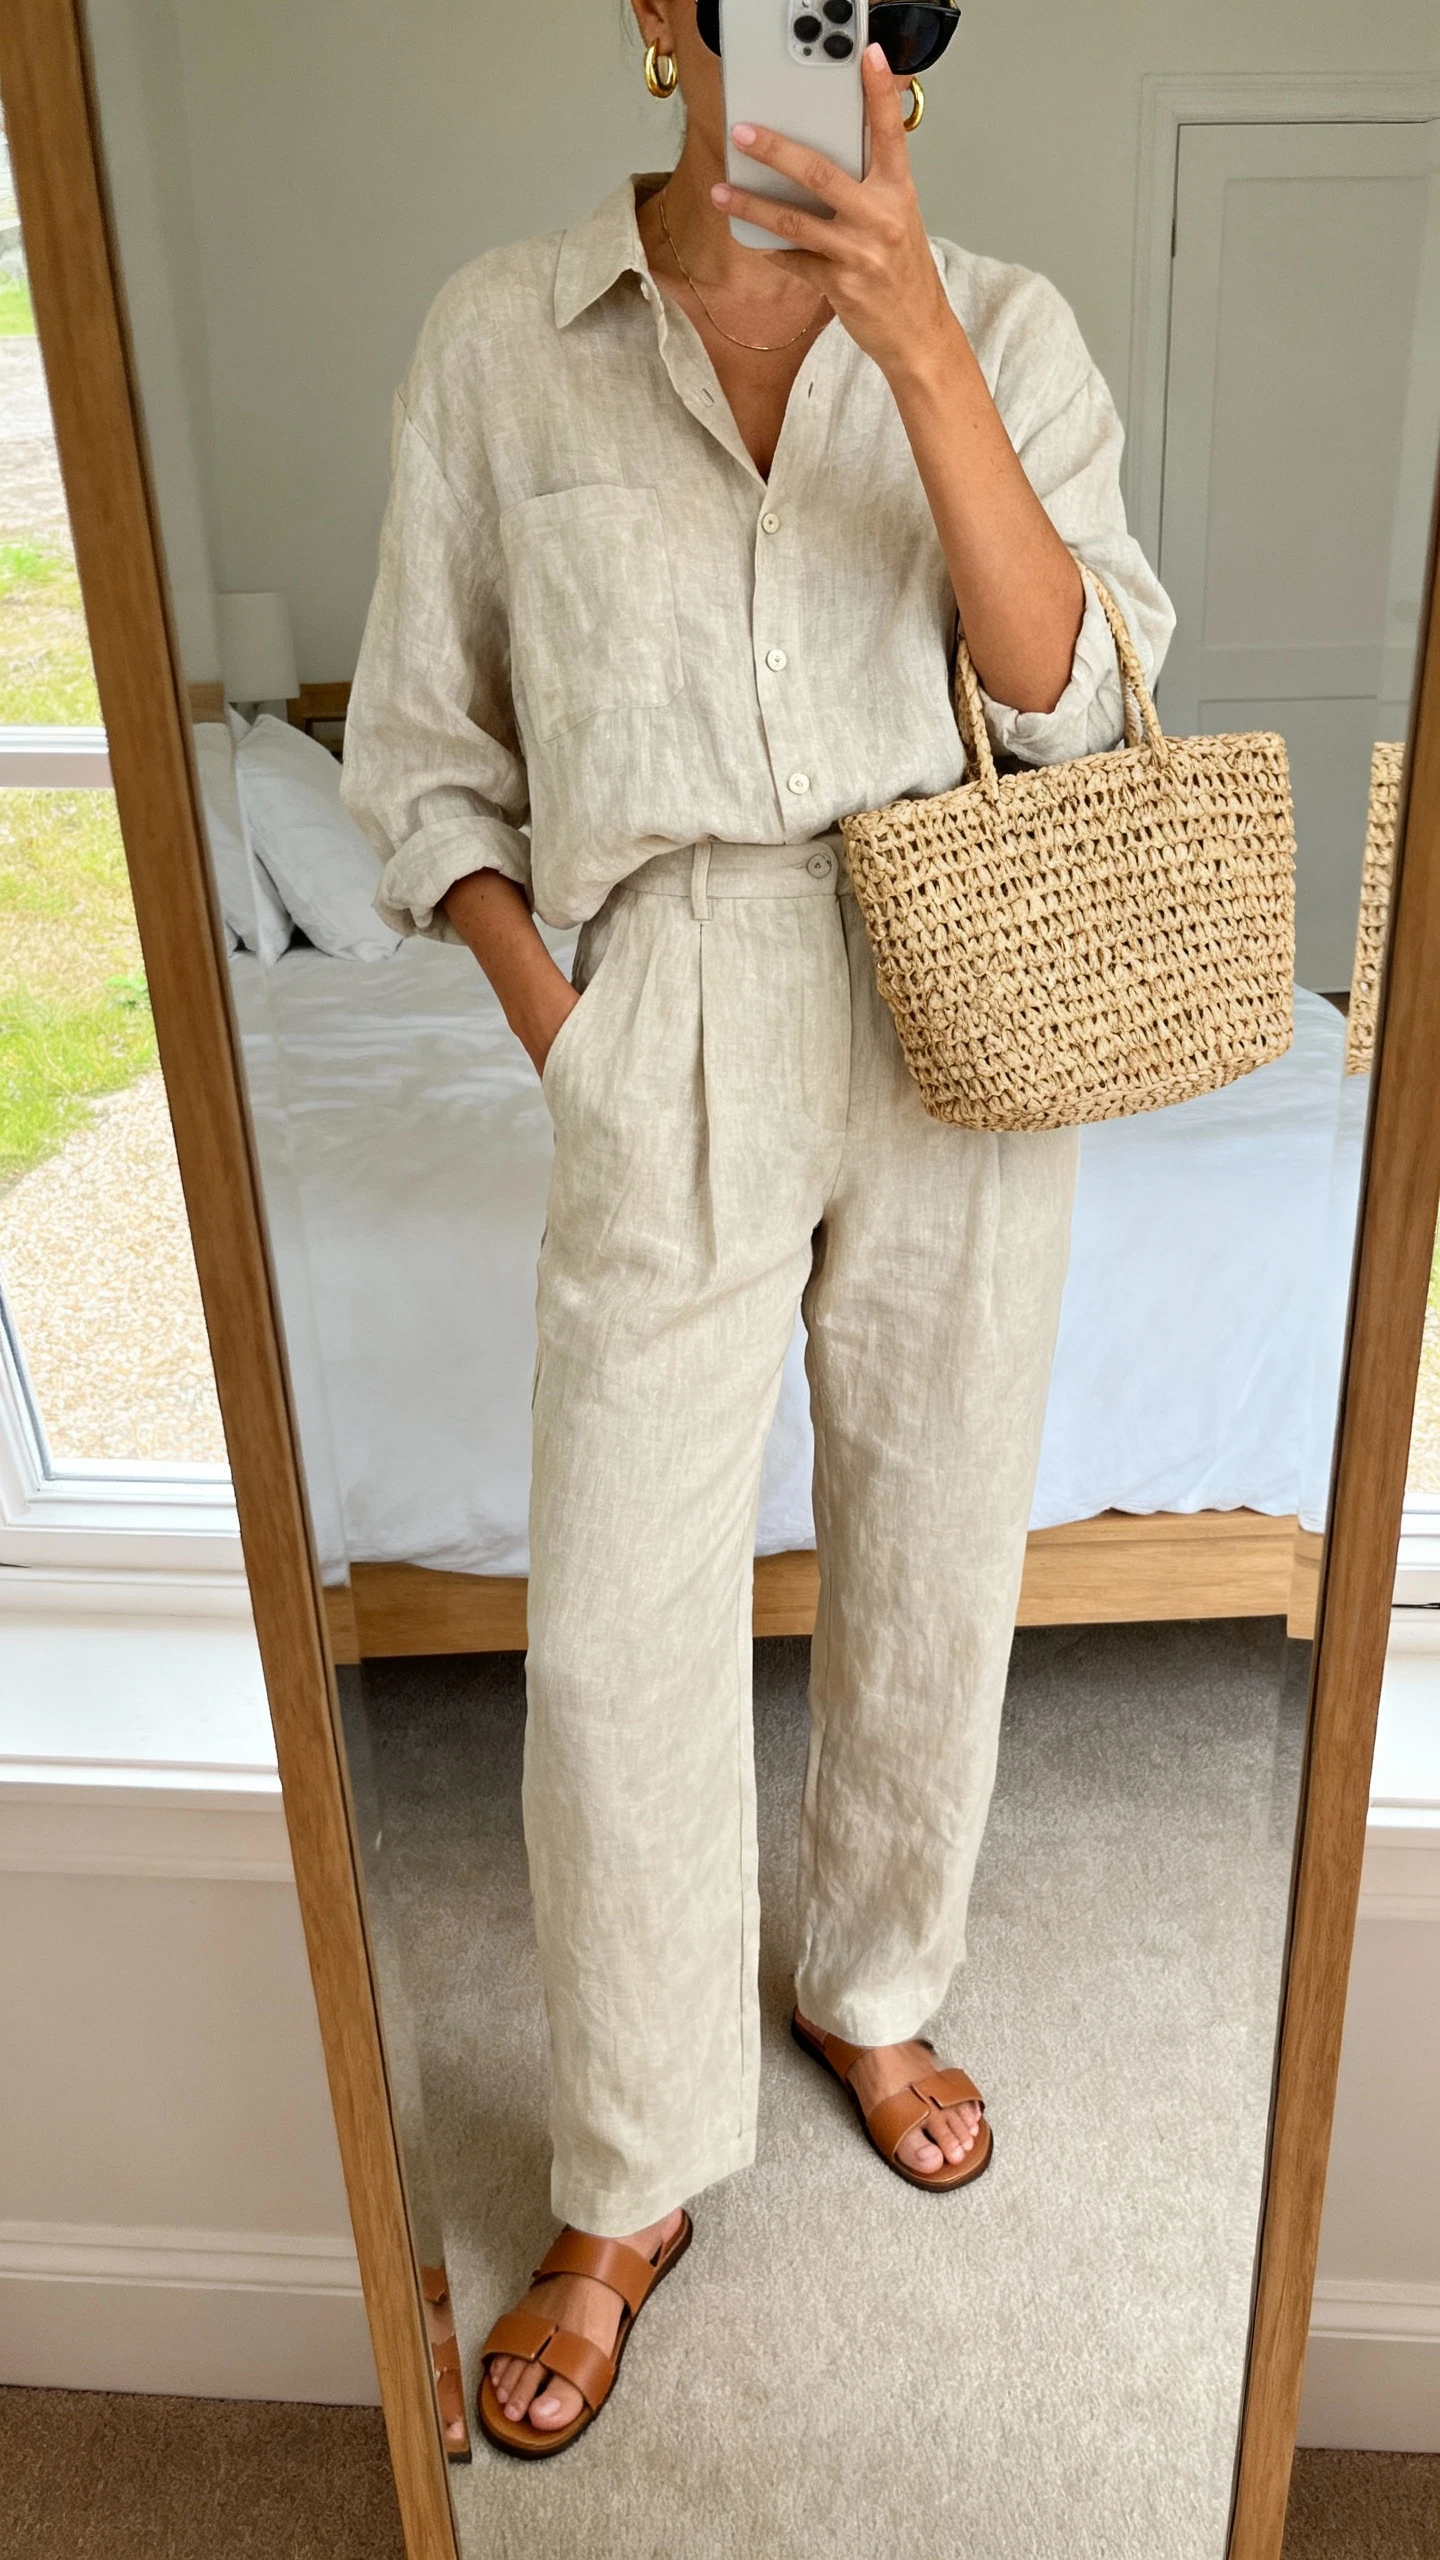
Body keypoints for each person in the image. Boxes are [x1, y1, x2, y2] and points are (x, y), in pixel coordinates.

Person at [342, 0, 1173, 2459]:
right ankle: (628, 2164)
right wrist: (561, 1013)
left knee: (935, 1552)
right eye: (809, 11)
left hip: (958, 962)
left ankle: (873, 1979)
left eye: (903, 16)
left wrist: (918, 350)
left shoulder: (1002, 318)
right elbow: (421, 749)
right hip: (668, 982)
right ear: (669, 25)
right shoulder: (505, 337)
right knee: (612, 1636)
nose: (866, 59)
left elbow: (1079, 693)